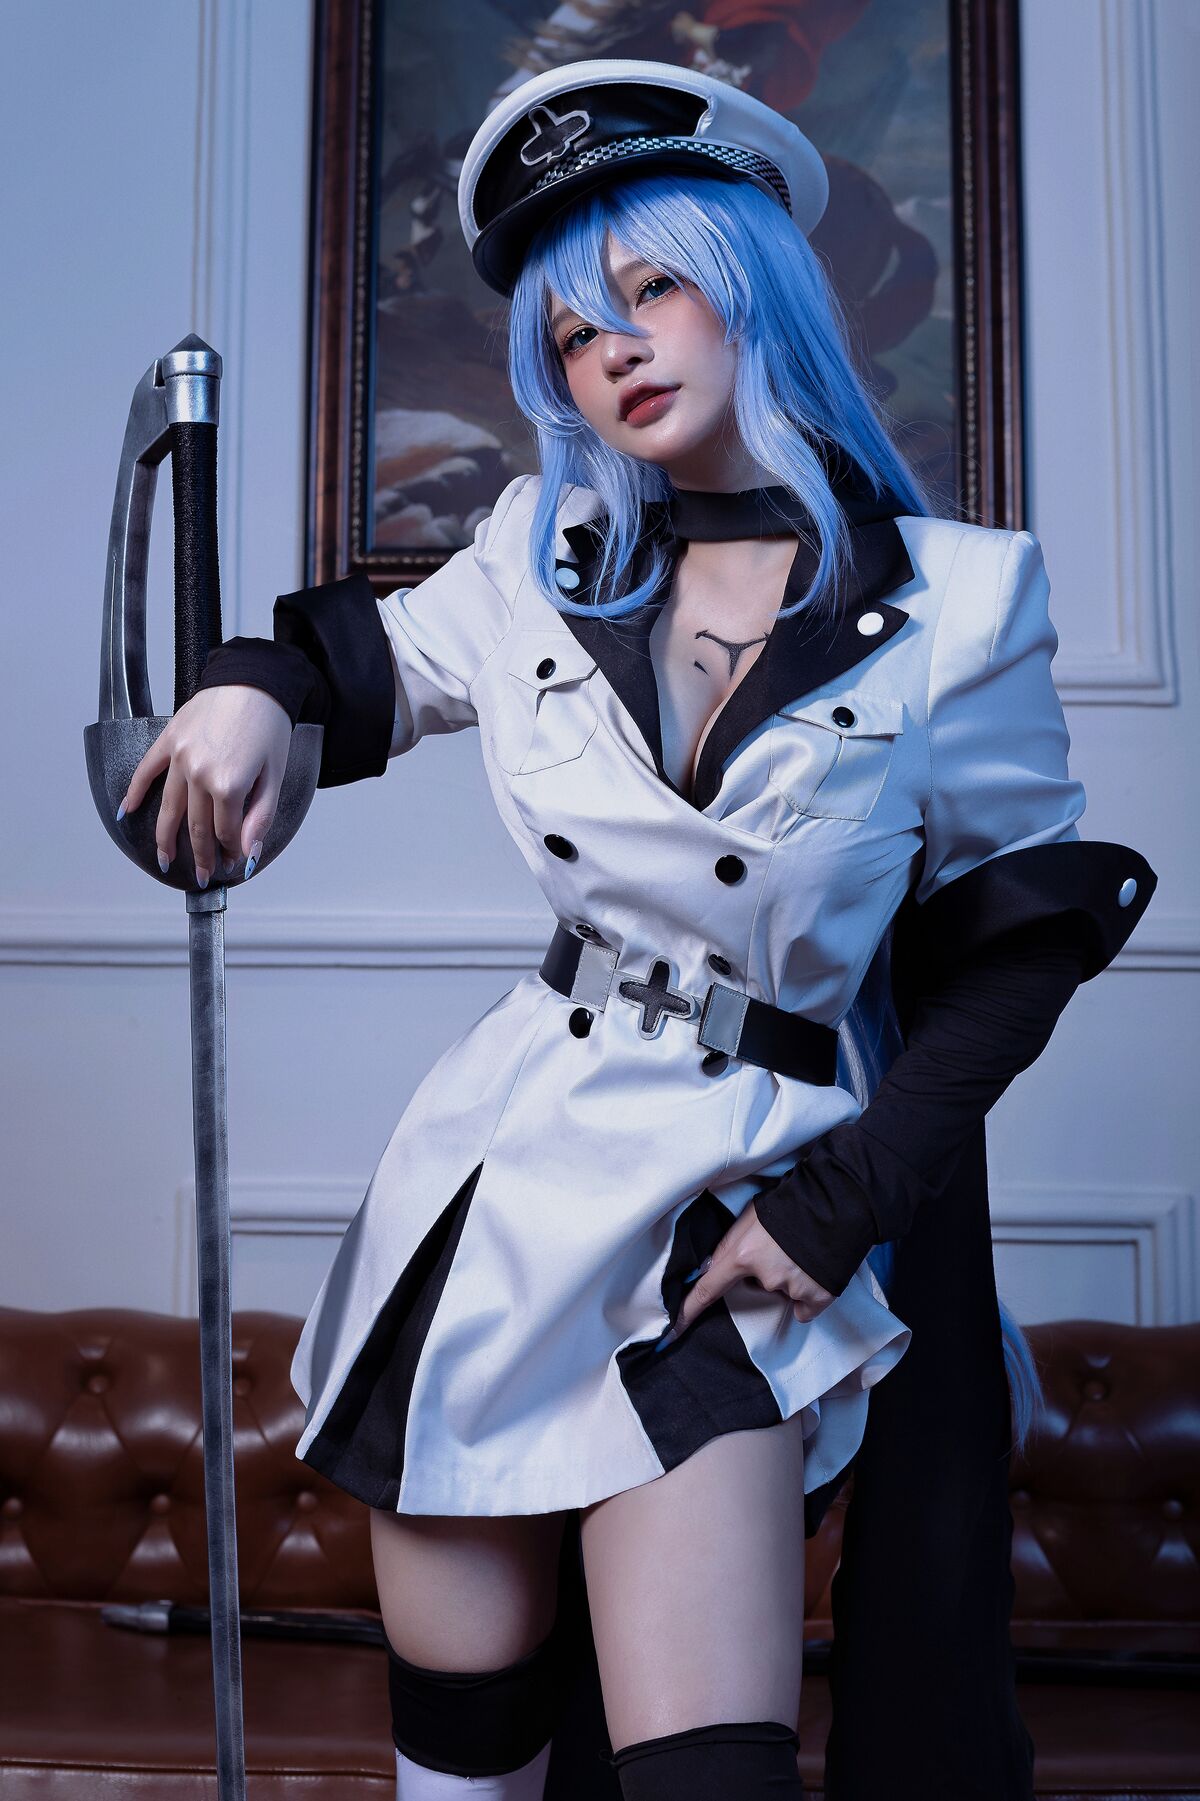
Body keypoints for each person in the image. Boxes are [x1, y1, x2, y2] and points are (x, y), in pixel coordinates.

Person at [118, 58, 1155, 1801]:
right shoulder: (539, 554)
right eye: (571, 328)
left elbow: (1020, 943)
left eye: (656, 284)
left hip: (740, 1216)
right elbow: (343, 670)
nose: (616, 345)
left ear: (754, 283)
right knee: (471, 1759)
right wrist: (242, 690)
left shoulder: (964, 601)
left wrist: (842, 1200)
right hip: (505, 1205)